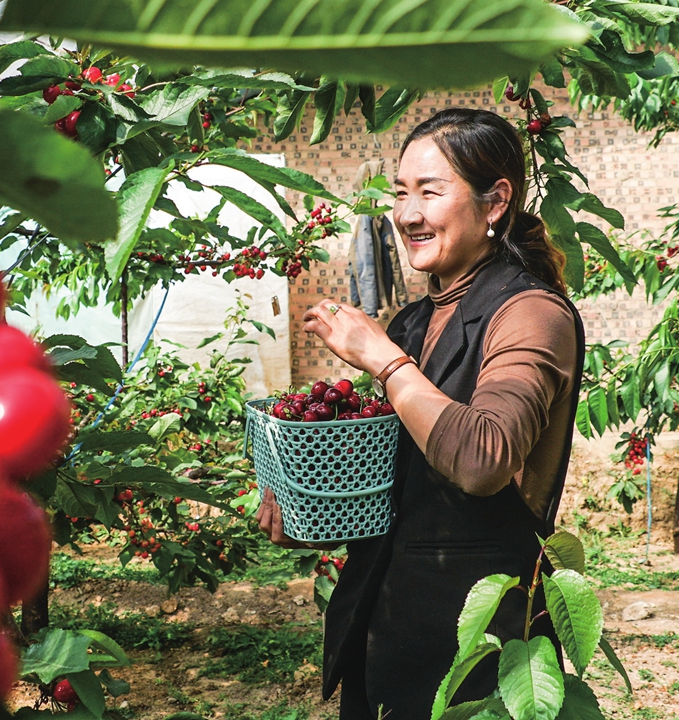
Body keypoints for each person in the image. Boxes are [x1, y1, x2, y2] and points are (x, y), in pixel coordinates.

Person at [255, 108, 585, 719]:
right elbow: (405, 482)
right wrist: (311, 510)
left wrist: (384, 359)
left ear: (494, 203)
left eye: (430, 192)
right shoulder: (412, 321)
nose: (407, 214)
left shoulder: (532, 314)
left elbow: (484, 458)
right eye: (401, 193)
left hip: (473, 640)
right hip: (386, 625)